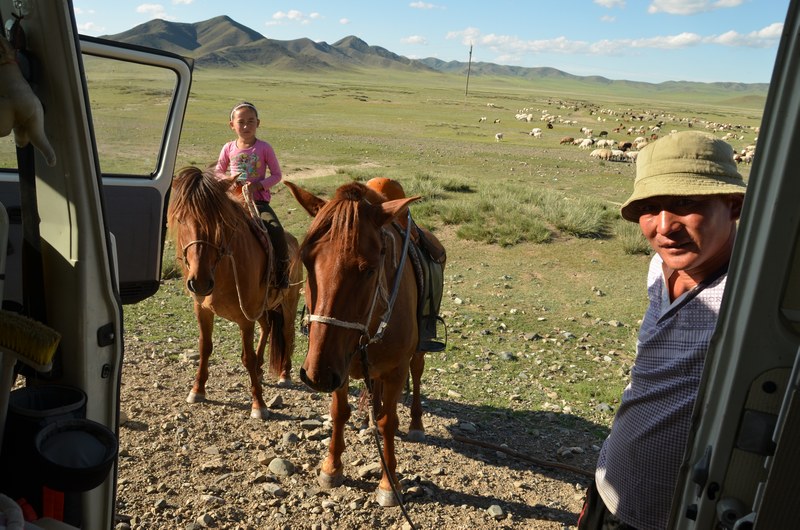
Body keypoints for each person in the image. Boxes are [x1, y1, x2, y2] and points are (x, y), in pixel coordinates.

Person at [578, 131, 746, 530]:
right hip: (611, 482)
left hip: (679, 512)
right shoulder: (660, 266)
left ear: (733, 204)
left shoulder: (753, 297)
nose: (665, 227)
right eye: (650, 208)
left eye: (686, 203)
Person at [216, 101, 289, 288]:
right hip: (233, 202)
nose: (246, 126)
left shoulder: (264, 148)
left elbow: (277, 175)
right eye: (241, 122)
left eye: (251, 121)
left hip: (258, 202)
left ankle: (281, 274)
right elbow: (217, 172)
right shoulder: (228, 148)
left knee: (276, 230)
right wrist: (229, 180)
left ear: (258, 123)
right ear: (232, 125)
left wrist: (258, 186)